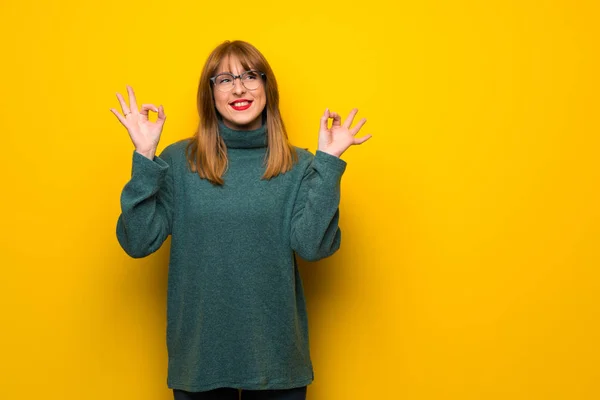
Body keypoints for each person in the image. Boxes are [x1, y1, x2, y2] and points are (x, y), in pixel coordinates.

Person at [110, 40, 372, 400]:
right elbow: (137, 242)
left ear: (267, 87)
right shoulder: (178, 161)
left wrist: (327, 162)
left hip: (277, 361)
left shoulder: (299, 165)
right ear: (210, 94)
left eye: (251, 76)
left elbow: (313, 246)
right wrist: (144, 156)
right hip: (200, 361)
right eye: (224, 79)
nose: (239, 88)